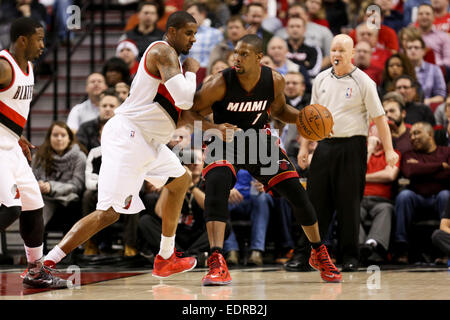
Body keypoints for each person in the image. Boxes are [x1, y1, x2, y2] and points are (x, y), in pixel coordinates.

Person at [43, 11, 200, 279]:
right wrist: (195, 72)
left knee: (180, 179)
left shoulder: (172, 66)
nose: (193, 39)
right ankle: (45, 263)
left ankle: (165, 257)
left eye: (195, 34)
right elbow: (186, 99)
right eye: (189, 33)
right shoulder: (164, 52)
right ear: (171, 31)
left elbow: (183, 110)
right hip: (129, 136)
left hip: (147, 140)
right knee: (108, 214)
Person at [184, 34, 341, 285]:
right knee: (216, 186)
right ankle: (217, 259)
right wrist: (212, 128)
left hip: (259, 142)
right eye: (236, 52)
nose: (237, 58)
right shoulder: (219, 82)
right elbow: (188, 112)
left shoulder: (274, 80)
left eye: (244, 54)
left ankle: (318, 251)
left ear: (259, 57)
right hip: (225, 142)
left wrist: (306, 120)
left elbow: (279, 111)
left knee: (298, 193)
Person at [298, 34, 398, 271]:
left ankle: (350, 256)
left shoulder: (364, 81)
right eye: (333, 50)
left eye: (342, 50)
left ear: (351, 54)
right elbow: (311, 116)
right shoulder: (320, 79)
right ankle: (305, 255)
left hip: (353, 146)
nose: (337, 54)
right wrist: (304, 147)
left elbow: (380, 119)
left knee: (349, 205)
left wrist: (390, 150)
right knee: (313, 204)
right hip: (324, 146)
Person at [0, 17, 69, 288]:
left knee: (33, 205)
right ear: (22, 40)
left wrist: (18, 135)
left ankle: (35, 271)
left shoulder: (27, 66)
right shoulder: (4, 67)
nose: (43, 44)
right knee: (10, 209)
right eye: (39, 39)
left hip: (10, 145)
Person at [394, 122, 450, 263]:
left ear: (430, 134)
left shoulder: (446, 152)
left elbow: (448, 175)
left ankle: (445, 252)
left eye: (417, 133)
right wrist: (439, 166)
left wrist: (420, 168)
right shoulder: (408, 154)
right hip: (416, 197)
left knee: (446, 195)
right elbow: (409, 172)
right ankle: (402, 249)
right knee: (404, 196)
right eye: (411, 134)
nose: (412, 137)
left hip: (439, 197)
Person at [31, 122, 86, 230]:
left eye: (63, 135)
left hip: (69, 201)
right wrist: (39, 185)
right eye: (55, 135)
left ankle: (69, 245)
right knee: (37, 206)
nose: (59, 139)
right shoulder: (38, 157)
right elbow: (32, 181)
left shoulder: (80, 157)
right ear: (49, 138)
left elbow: (77, 186)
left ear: (69, 138)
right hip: (45, 199)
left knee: (73, 203)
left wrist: (51, 187)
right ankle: (35, 244)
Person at [359, 124, 400, 265]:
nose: (376, 137)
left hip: (381, 200)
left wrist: (363, 177)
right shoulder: (361, 152)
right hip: (359, 198)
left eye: (380, 133)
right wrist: (369, 148)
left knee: (386, 210)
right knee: (350, 210)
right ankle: (360, 247)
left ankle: (372, 245)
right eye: (373, 133)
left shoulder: (393, 154)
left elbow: (389, 175)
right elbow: (356, 171)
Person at [405, 37, 446, 106]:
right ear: (406, 52)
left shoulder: (435, 69)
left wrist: (424, 101)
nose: (413, 50)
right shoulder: (403, 69)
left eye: (416, 47)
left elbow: (441, 96)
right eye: (409, 48)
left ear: (423, 51)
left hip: (427, 107)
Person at [416, 4, 450, 68]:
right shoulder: (410, 36)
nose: (424, 16)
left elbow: (448, 61)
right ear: (417, 17)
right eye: (421, 14)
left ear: (434, 17)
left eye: (427, 14)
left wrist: (432, 66)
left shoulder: (443, 37)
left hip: (439, 70)